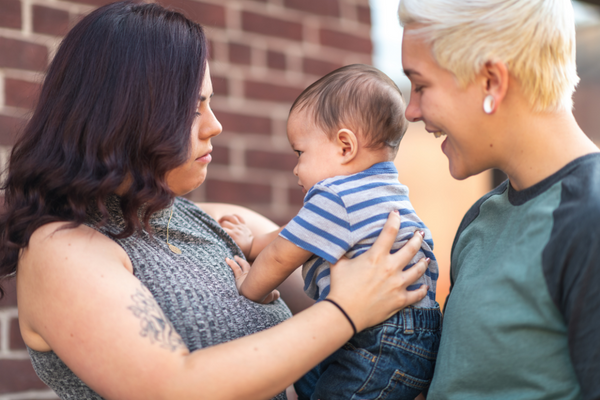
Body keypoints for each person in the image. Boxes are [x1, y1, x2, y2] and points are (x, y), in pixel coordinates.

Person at [0, 2, 431, 399]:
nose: (215, 126)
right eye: (194, 107)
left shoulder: (225, 223)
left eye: (213, 104)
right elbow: (170, 387)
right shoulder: (63, 249)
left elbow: (363, 279)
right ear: (126, 114)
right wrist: (346, 311)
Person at [398, 0, 600, 399]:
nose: (411, 110)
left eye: (421, 85)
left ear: (492, 81)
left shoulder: (590, 218)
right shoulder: (483, 217)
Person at [221, 64, 441, 400]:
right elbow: (297, 233)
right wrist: (253, 243)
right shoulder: (384, 191)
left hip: (378, 335)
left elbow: (283, 255)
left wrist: (249, 289)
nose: (296, 169)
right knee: (310, 376)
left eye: (300, 153)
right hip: (416, 334)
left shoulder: (336, 195)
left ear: (344, 146)